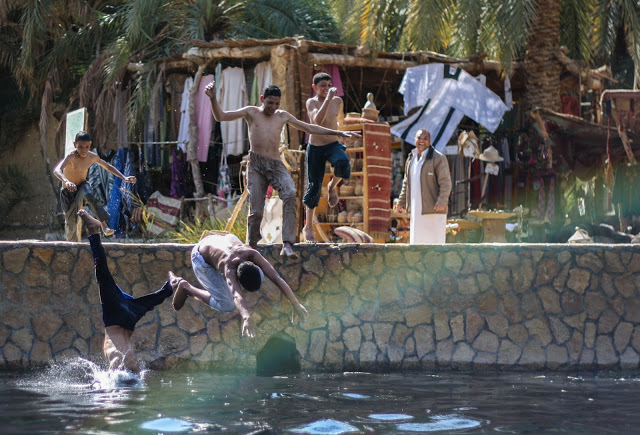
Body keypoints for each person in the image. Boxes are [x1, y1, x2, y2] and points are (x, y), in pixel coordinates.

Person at [204, 81, 360, 258]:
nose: (273, 107)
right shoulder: (251, 112)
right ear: (262, 99)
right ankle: (252, 244)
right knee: (256, 209)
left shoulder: (282, 116)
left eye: (277, 103)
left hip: (276, 165)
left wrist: (338, 133)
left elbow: (309, 127)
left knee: (290, 193)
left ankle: (287, 243)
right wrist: (213, 98)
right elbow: (221, 116)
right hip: (256, 164)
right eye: (270, 102)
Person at [78, 209, 172, 376]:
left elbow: (118, 359)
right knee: (102, 273)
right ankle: (170, 288)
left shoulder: (120, 354)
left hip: (125, 318)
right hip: (124, 317)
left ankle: (170, 288)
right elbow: (120, 360)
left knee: (104, 275)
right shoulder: (118, 350)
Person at [168, 232, 309, 338]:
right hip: (200, 258)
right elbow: (237, 295)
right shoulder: (228, 268)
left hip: (217, 240)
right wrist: (246, 316)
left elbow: (276, 277)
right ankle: (186, 287)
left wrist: (295, 303)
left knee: (263, 275)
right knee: (228, 305)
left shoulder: (251, 253)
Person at [53, 131, 137, 241]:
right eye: (80, 147)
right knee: (71, 224)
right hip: (68, 191)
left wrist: (124, 178)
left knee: (89, 194)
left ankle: (104, 225)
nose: (84, 150)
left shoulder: (92, 157)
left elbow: (107, 167)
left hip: (82, 186)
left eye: (87, 147)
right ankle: (72, 247)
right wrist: (66, 181)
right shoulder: (71, 156)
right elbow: (56, 170)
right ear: (75, 145)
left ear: (90, 144)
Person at [301, 72, 351, 242]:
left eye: (329, 85)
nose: (327, 89)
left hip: (332, 143)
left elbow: (341, 120)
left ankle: (332, 187)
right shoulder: (311, 102)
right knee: (314, 186)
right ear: (314, 87)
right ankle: (308, 227)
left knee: (343, 163)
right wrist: (327, 99)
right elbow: (317, 121)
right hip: (316, 147)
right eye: (323, 85)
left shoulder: (338, 101)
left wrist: (343, 136)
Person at [395, 129, 452, 244]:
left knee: (435, 243)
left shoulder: (438, 158)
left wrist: (442, 201)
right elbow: (406, 182)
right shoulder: (411, 159)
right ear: (414, 140)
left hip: (434, 210)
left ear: (430, 141)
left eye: (425, 138)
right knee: (417, 242)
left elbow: (446, 182)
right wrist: (401, 202)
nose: (422, 141)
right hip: (416, 211)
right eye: (419, 138)